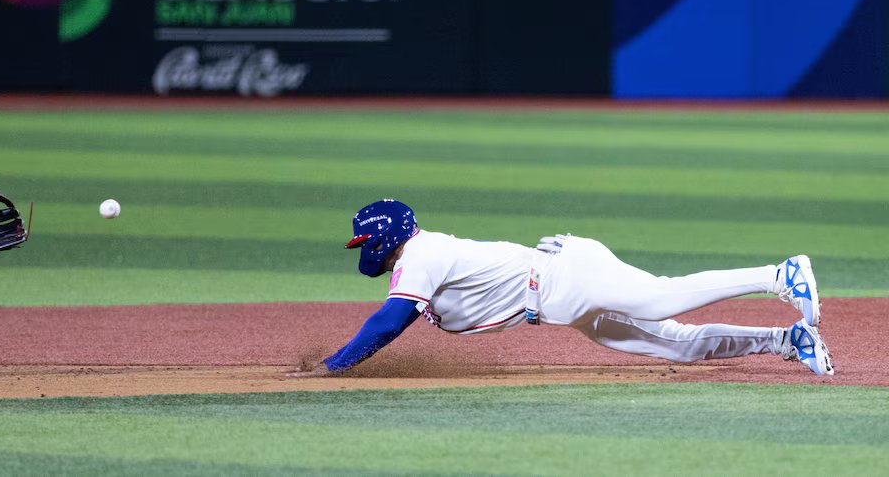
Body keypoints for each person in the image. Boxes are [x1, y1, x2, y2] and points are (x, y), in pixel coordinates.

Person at [287, 198, 833, 378]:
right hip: (559, 299)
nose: (363, 251)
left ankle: (779, 275)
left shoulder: (420, 254)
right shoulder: (418, 260)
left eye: (365, 242)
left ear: (386, 238)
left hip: (563, 279)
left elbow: (388, 322)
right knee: (674, 344)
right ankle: (787, 342)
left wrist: (336, 365)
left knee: (661, 297)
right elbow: (400, 317)